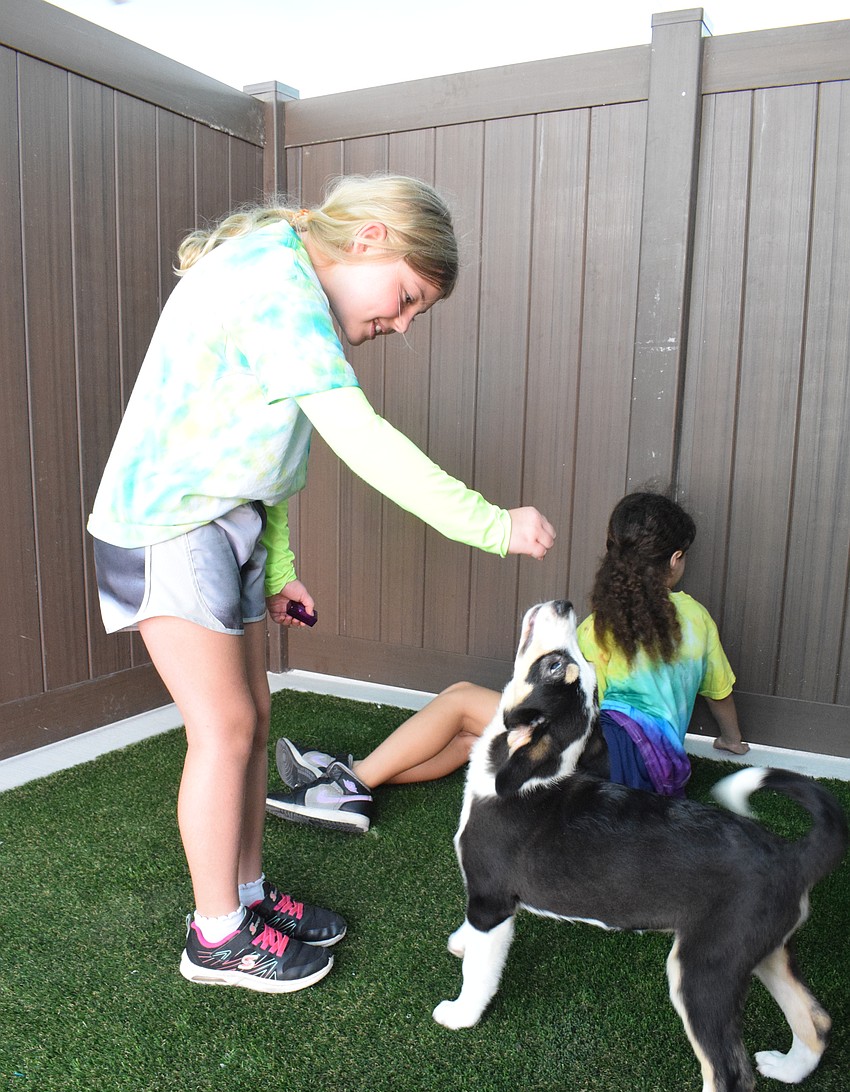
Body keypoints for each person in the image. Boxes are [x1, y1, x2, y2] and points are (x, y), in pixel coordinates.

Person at [87, 173, 556, 995]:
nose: (402, 323)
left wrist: (278, 568)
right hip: (169, 522)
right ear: (370, 239)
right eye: (407, 297)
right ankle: (217, 936)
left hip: (222, 520)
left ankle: (249, 900)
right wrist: (492, 523)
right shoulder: (273, 281)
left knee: (253, 716)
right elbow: (358, 438)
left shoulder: (293, 284)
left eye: (416, 313)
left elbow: (270, 453)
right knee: (224, 727)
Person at [267, 490, 747, 832]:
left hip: (612, 767)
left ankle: (351, 785)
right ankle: (349, 774)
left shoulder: (598, 626)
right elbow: (719, 691)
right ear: (675, 558)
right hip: (656, 779)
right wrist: (732, 740)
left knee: (460, 699)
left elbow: (577, 707)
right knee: (474, 735)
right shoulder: (697, 619)